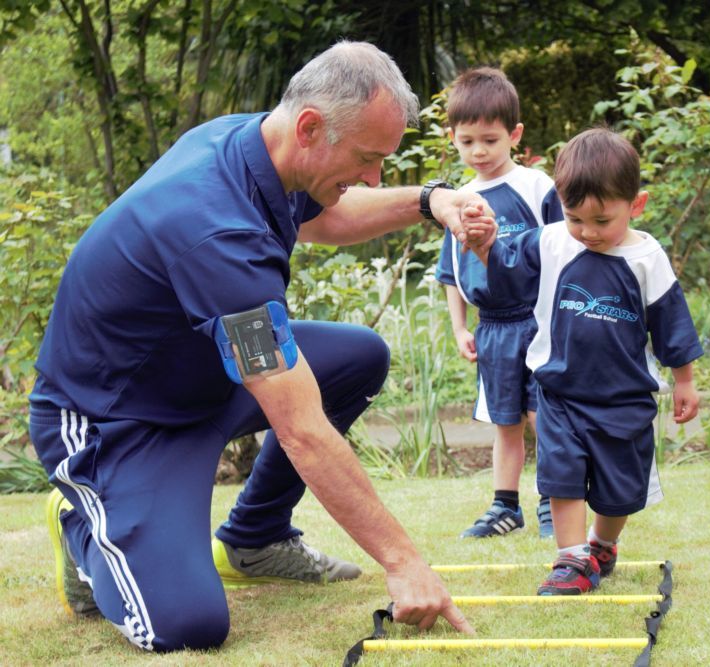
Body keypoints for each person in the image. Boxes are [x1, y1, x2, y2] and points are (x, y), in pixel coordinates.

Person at [29, 41, 480, 652]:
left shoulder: (255, 145)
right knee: (185, 626)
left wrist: (431, 200)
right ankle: (85, 526)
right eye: (369, 158)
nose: (374, 177)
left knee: (357, 357)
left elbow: (328, 217)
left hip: (198, 380)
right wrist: (402, 560)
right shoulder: (215, 232)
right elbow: (299, 429)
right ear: (311, 127)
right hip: (116, 423)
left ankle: (255, 538)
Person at [464, 128, 703, 594]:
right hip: (559, 391)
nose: (588, 233)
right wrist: (484, 245)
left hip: (624, 398)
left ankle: (601, 544)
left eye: (602, 221)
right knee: (562, 475)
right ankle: (571, 561)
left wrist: (685, 381)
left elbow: (672, 322)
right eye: (576, 218)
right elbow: (507, 270)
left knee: (618, 492)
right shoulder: (552, 241)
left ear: (636, 204)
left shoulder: (646, 257)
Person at [434, 67, 563, 539]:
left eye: (489, 140)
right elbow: (450, 271)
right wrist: (459, 327)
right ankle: (504, 507)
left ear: (515, 134)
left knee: (542, 415)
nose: (479, 152)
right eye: (467, 142)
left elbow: (563, 250)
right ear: (453, 139)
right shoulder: (455, 199)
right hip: (492, 329)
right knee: (504, 420)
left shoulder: (536, 187)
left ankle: (555, 501)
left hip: (538, 320)